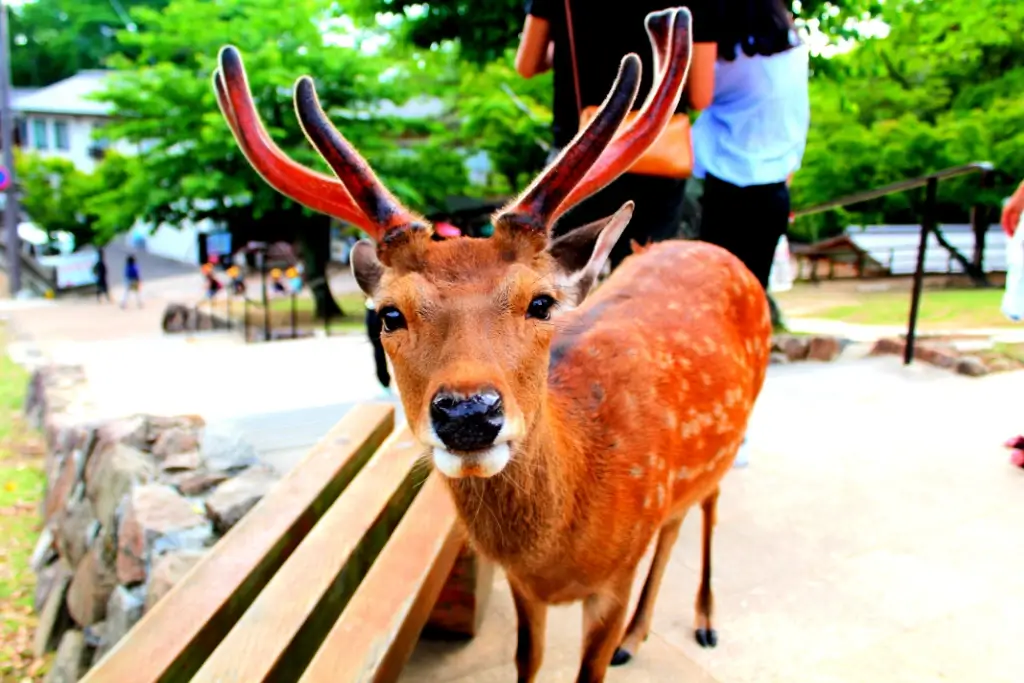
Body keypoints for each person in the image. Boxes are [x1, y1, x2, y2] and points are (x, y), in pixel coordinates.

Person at [514, 0, 719, 269]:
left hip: (577, 160)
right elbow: (701, 96)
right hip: (656, 155)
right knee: (643, 284)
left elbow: (527, 65)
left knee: (565, 288)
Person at [691, 0, 810, 292]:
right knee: (751, 296)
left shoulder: (715, 33)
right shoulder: (788, 38)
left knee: (709, 295)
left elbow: (699, 97)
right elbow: (797, 117)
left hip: (721, 182)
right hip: (774, 189)